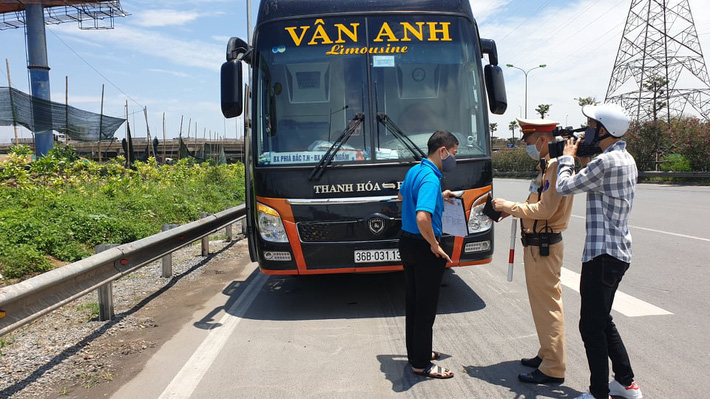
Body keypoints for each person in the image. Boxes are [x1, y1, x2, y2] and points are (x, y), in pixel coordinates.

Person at [555, 104, 643, 399]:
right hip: (617, 253)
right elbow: (594, 180)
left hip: (601, 256)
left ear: (603, 130)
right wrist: (582, 160)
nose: (587, 131)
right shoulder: (625, 159)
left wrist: (567, 159)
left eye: (591, 125)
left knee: (590, 327)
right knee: (603, 319)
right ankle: (626, 383)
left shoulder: (604, 163)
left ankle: (598, 393)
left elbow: (564, 186)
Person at [491, 118, 573, 385]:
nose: (528, 147)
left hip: (544, 246)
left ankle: (553, 367)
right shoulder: (547, 166)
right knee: (542, 305)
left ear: (541, 140)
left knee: (548, 306)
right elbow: (534, 204)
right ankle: (546, 353)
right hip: (538, 243)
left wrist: (508, 205)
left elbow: (546, 211)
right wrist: (507, 211)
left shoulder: (556, 166)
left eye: (528, 142)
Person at [397, 130, 458, 379]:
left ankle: (416, 353)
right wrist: (434, 244)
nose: (455, 158)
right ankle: (421, 364)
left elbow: (402, 196)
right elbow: (423, 216)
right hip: (424, 248)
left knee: (414, 302)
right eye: (454, 153)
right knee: (426, 308)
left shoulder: (416, 171)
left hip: (407, 243)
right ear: (442, 151)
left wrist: (439, 198)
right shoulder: (432, 179)